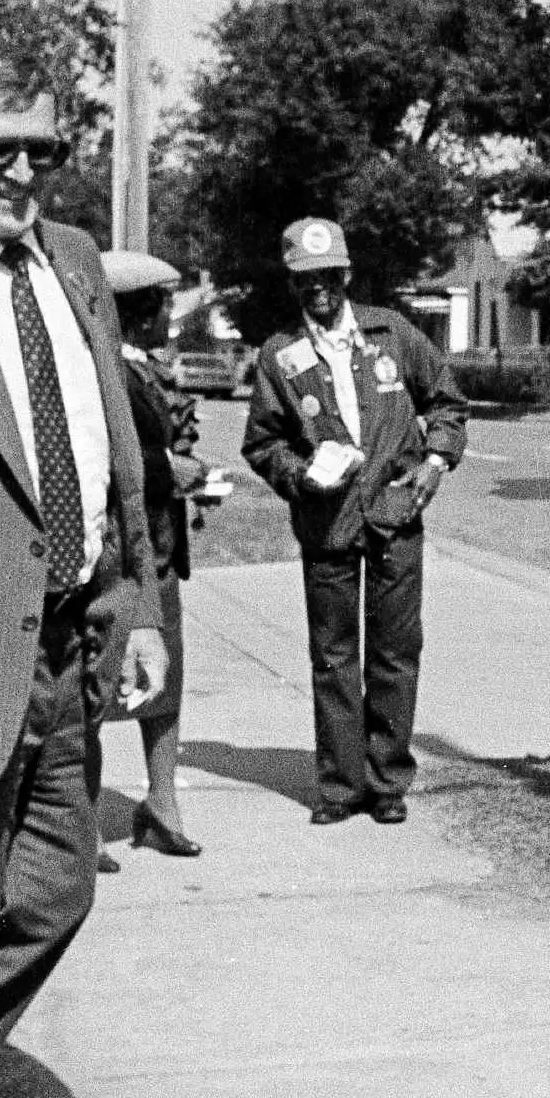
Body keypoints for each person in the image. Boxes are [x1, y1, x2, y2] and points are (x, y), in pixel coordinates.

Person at [0, 39, 166, 1098]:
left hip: (68, 649)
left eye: (44, 147)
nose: (24, 172)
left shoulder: (75, 264)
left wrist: (135, 597)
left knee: (53, 897)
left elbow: (109, 452)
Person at [241, 218, 467, 825]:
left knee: (394, 651)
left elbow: (445, 400)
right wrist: (300, 474)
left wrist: (437, 462)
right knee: (333, 656)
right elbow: (262, 444)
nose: (318, 288)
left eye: (327, 275)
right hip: (327, 522)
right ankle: (340, 786)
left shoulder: (391, 333)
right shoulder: (279, 356)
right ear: (293, 284)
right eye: (305, 279)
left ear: (346, 274)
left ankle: (387, 779)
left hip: (395, 513)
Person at [100, 248, 210, 858]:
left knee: (165, 682)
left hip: (159, 550)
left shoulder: (141, 368)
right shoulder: (100, 370)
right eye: (163, 303)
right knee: (100, 683)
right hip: (114, 553)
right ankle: (83, 821)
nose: (170, 315)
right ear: (137, 310)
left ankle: (161, 802)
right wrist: (175, 468)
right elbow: (112, 461)